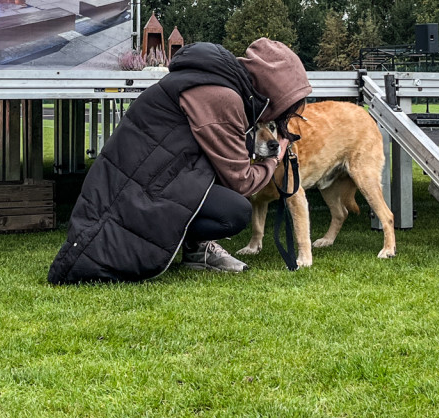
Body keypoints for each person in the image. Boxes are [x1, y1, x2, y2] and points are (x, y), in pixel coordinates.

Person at [48, 37, 313, 285]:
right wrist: (275, 157)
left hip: (145, 179)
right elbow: (241, 182)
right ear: (273, 89)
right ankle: (190, 246)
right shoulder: (223, 96)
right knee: (234, 211)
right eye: (286, 106)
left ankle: (193, 247)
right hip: (139, 189)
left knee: (226, 204)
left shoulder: (214, 81)